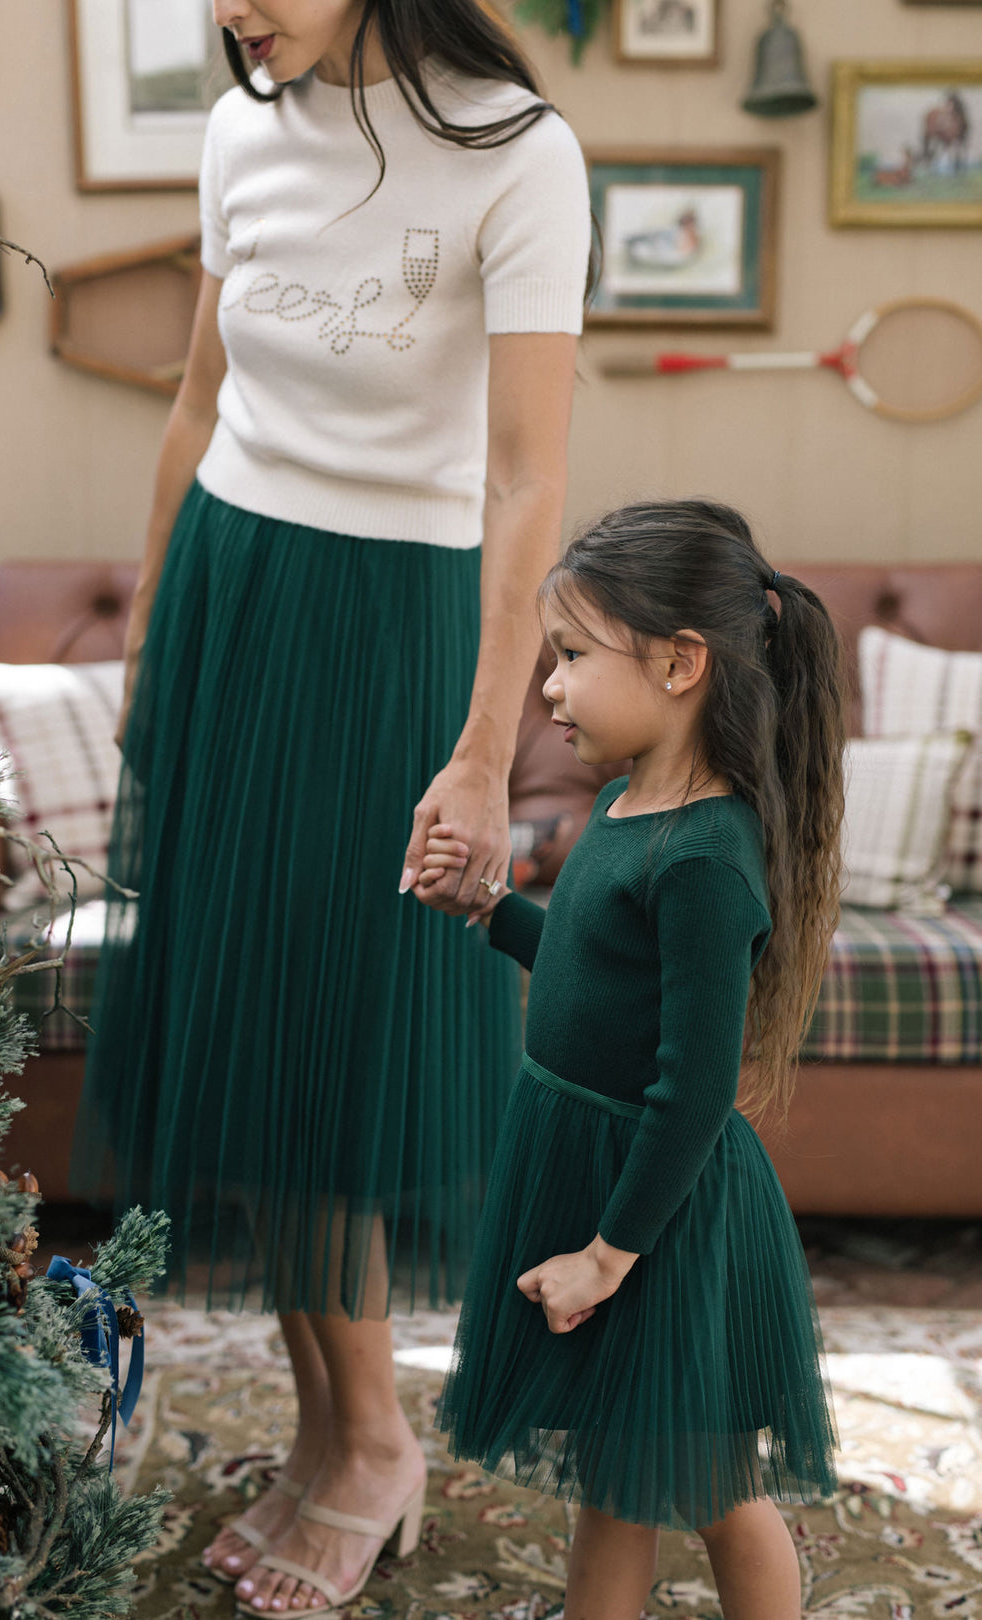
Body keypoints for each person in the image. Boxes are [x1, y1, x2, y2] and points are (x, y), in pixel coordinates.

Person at [70, 0, 590, 1615]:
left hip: (392, 631)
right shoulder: (242, 132)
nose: (230, 9)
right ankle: (318, 1423)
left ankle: (375, 1440)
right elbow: (196, 398)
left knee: (339, 1034)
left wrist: (485, 744)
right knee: (250, 1018)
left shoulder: (521, 158)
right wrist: (160, 635)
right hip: (238, 586)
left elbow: (524, 486)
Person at [418, 500, 844, 1620]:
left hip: (659, 1207)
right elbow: (587, 961)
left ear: (679, 662)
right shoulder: (625, 803)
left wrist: (609, 1255)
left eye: (569, 657)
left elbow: (695, 1082)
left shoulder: (708, 851)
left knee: (713, 1486)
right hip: (593, 1163)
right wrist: (488, 906)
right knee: (615, 1478)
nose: (548, 689)